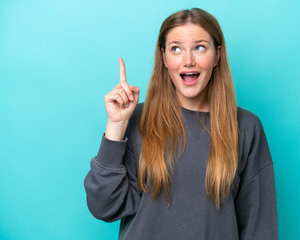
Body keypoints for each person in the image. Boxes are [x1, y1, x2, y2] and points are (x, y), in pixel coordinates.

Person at [84, 8, 278, 240]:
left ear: (217, 56)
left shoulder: (246, 127)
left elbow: (260, 227)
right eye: (176, 48)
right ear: (164, 57)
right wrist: (116, 125)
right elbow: (103, 207)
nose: (188, 61)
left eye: (199, 48)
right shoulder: (135, 119)